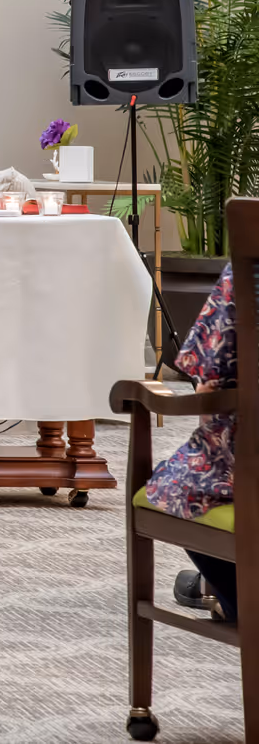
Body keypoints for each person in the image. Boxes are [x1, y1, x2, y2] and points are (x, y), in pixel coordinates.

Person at [143, 264, 239, 621]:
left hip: (249, 472)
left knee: (175, 481)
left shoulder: (250, 264)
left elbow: (210, 384)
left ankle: (234, 598)